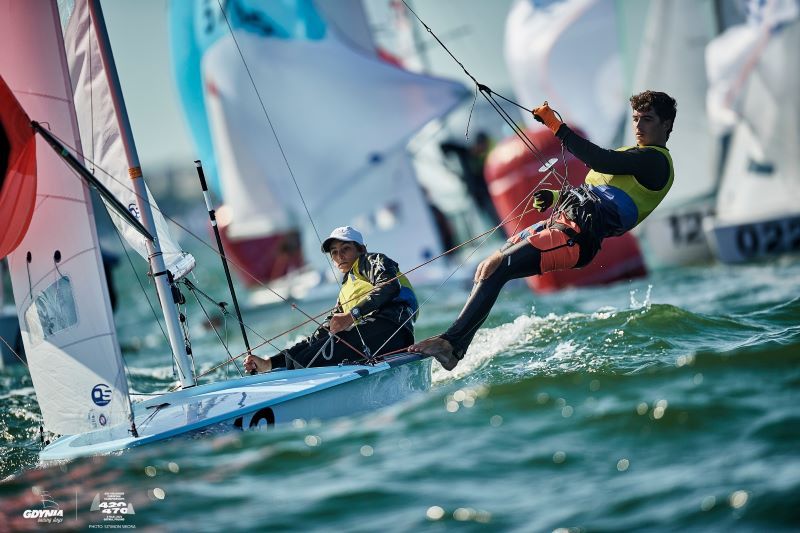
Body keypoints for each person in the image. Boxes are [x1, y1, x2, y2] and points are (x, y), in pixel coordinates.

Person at [410, 90, 677, 370]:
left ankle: (450, 344)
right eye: (635, 118)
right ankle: (453, 347)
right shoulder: (633, 155)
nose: (638, 125)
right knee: (487, 268)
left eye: (647, 119)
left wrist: (556, 127)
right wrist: (556, 197)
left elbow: (602, 161)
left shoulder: (656, 162)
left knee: (499, 268)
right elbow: (593, 193)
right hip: (561, 223)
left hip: (576, 238)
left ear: (666, 124)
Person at [244, 226, 417, 372]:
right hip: (372, 335)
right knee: (304, 355)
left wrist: (351, 315)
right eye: (334, 252)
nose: (339, 256)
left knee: (308, 360)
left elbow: (390, 286)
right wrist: (270, 362)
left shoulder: (370, 261)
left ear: (361, 249)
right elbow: (321, 334)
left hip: (392, 328)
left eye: (345, 249)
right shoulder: (346, 290)